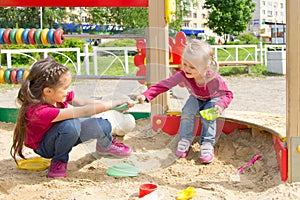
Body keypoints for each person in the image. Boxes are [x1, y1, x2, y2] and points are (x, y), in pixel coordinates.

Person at [10, 57, 135, 178]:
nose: (68, 90)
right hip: (45, 146)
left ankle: (105, 146)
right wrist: (113, 103)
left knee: (103, 125)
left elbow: (83, 103)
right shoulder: (38, 112)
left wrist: (114, 105)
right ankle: (59, 161)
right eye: (65, 88)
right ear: (48, 91)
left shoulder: (58, 95)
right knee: (71, 123)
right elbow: (83, 111)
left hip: (65, 133)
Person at [136, 39, 233, 164]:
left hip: (213, 98)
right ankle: (185, 140)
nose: (186, 69)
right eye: (184, 64)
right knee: (187, 111)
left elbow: (227, 94)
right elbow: (165, 85)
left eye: (192, 67)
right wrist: (146, 95)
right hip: (196, 97)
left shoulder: (214, 78)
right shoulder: (182, 74)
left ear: (205, 68)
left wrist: (219, 106)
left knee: (209, 117)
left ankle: (207, 144)